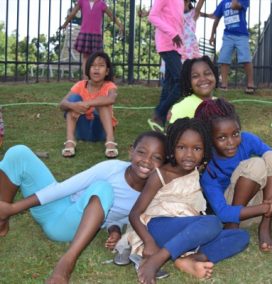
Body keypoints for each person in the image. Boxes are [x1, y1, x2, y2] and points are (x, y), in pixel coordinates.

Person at [0, 131, 166, 283]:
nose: (147, 160)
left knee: (102, 188)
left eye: (156, 157)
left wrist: (113, 229)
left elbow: (123, 218)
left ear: (164, 163)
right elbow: (62, 189)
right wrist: (14, 208)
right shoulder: (112, 168)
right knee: (19, 153)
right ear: (131, 151)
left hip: (67, 226)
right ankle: (2, 220)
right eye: (142, 152)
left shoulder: (150, 195)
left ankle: (65, 265)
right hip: (55, 205)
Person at [128, 118, 249, 283]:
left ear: (205, 150)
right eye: (181, 147)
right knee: (213, 222)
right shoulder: (160, 175)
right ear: (172, 147)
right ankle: (157, 259)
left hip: (186, 232)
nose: (189, 155)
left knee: (240, 236)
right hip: (158, 228)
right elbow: (135, 214)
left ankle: (189, 259)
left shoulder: (195, 172)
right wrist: (148, 242)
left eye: (197, 148)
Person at [195, 98, 272, 252]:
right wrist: (266, 207)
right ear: (208, 138)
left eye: (235, 134)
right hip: (235, 214)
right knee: (256, 164)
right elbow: (222, 212)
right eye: (222, 137)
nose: (231, 142)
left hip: (259, 209)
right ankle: (233, 226)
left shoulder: (247, 140)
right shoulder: (208, 168)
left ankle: (266, 224)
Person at [60, 51, 119, 158]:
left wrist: (87, 103)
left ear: (107, 71)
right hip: (82, 130)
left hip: (100, 131)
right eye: (93, 65)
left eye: (101, 66)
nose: (96, 68)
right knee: (73, 100)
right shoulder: (80, 85)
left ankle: (110, 141)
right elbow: (62, 104)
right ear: (88, 69)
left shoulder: (109, 85)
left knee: (103, 101)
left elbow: (111, 99)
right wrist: (74, 106)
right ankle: (70, 141)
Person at [146, 0, 184, 131]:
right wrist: (173, 34)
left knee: (169, 84)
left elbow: (176, 20)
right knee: (182, 82)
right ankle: (159, 112)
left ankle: (159, 123)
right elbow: (152, 16)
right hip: (167, 44)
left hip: (176, 46)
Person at [60, 0, 124, 78]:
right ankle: (85, 77)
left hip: (95, 34)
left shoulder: (101, 4)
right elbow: (72, 13)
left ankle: (94, 76)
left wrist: (119, 25)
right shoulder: (82, 2)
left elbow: (111, 16)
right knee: (86, 57)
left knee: (95, 57)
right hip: (86, 32)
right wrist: (65, 24)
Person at [209, 0, 255, 94]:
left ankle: (250, 84)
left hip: (241, 35)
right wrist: (212, 35)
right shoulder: (223, 3)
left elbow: (234, 6)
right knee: (224, 59)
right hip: (228, 35)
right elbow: (216, 19)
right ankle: (224, 85)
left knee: (246, 59)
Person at [167, 55, 218, 125]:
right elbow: (175, 134)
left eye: (207, 73)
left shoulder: (220, 104)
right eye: (195, 76)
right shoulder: (181, 108)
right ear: (188, 81)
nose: (203, 79)